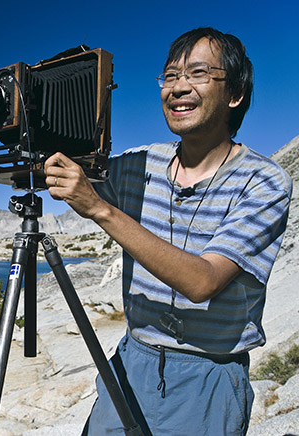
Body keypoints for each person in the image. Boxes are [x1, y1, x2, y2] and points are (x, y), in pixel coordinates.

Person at [44, 27, 292, 436]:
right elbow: (55, 167)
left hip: (208, 377)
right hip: (131, 360)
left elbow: (203, 281)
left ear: (234, 93)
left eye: (197, 74)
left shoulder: (263, 181)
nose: (178, 88)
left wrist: (101, 210)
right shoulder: (137, 165)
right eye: (170, 76)